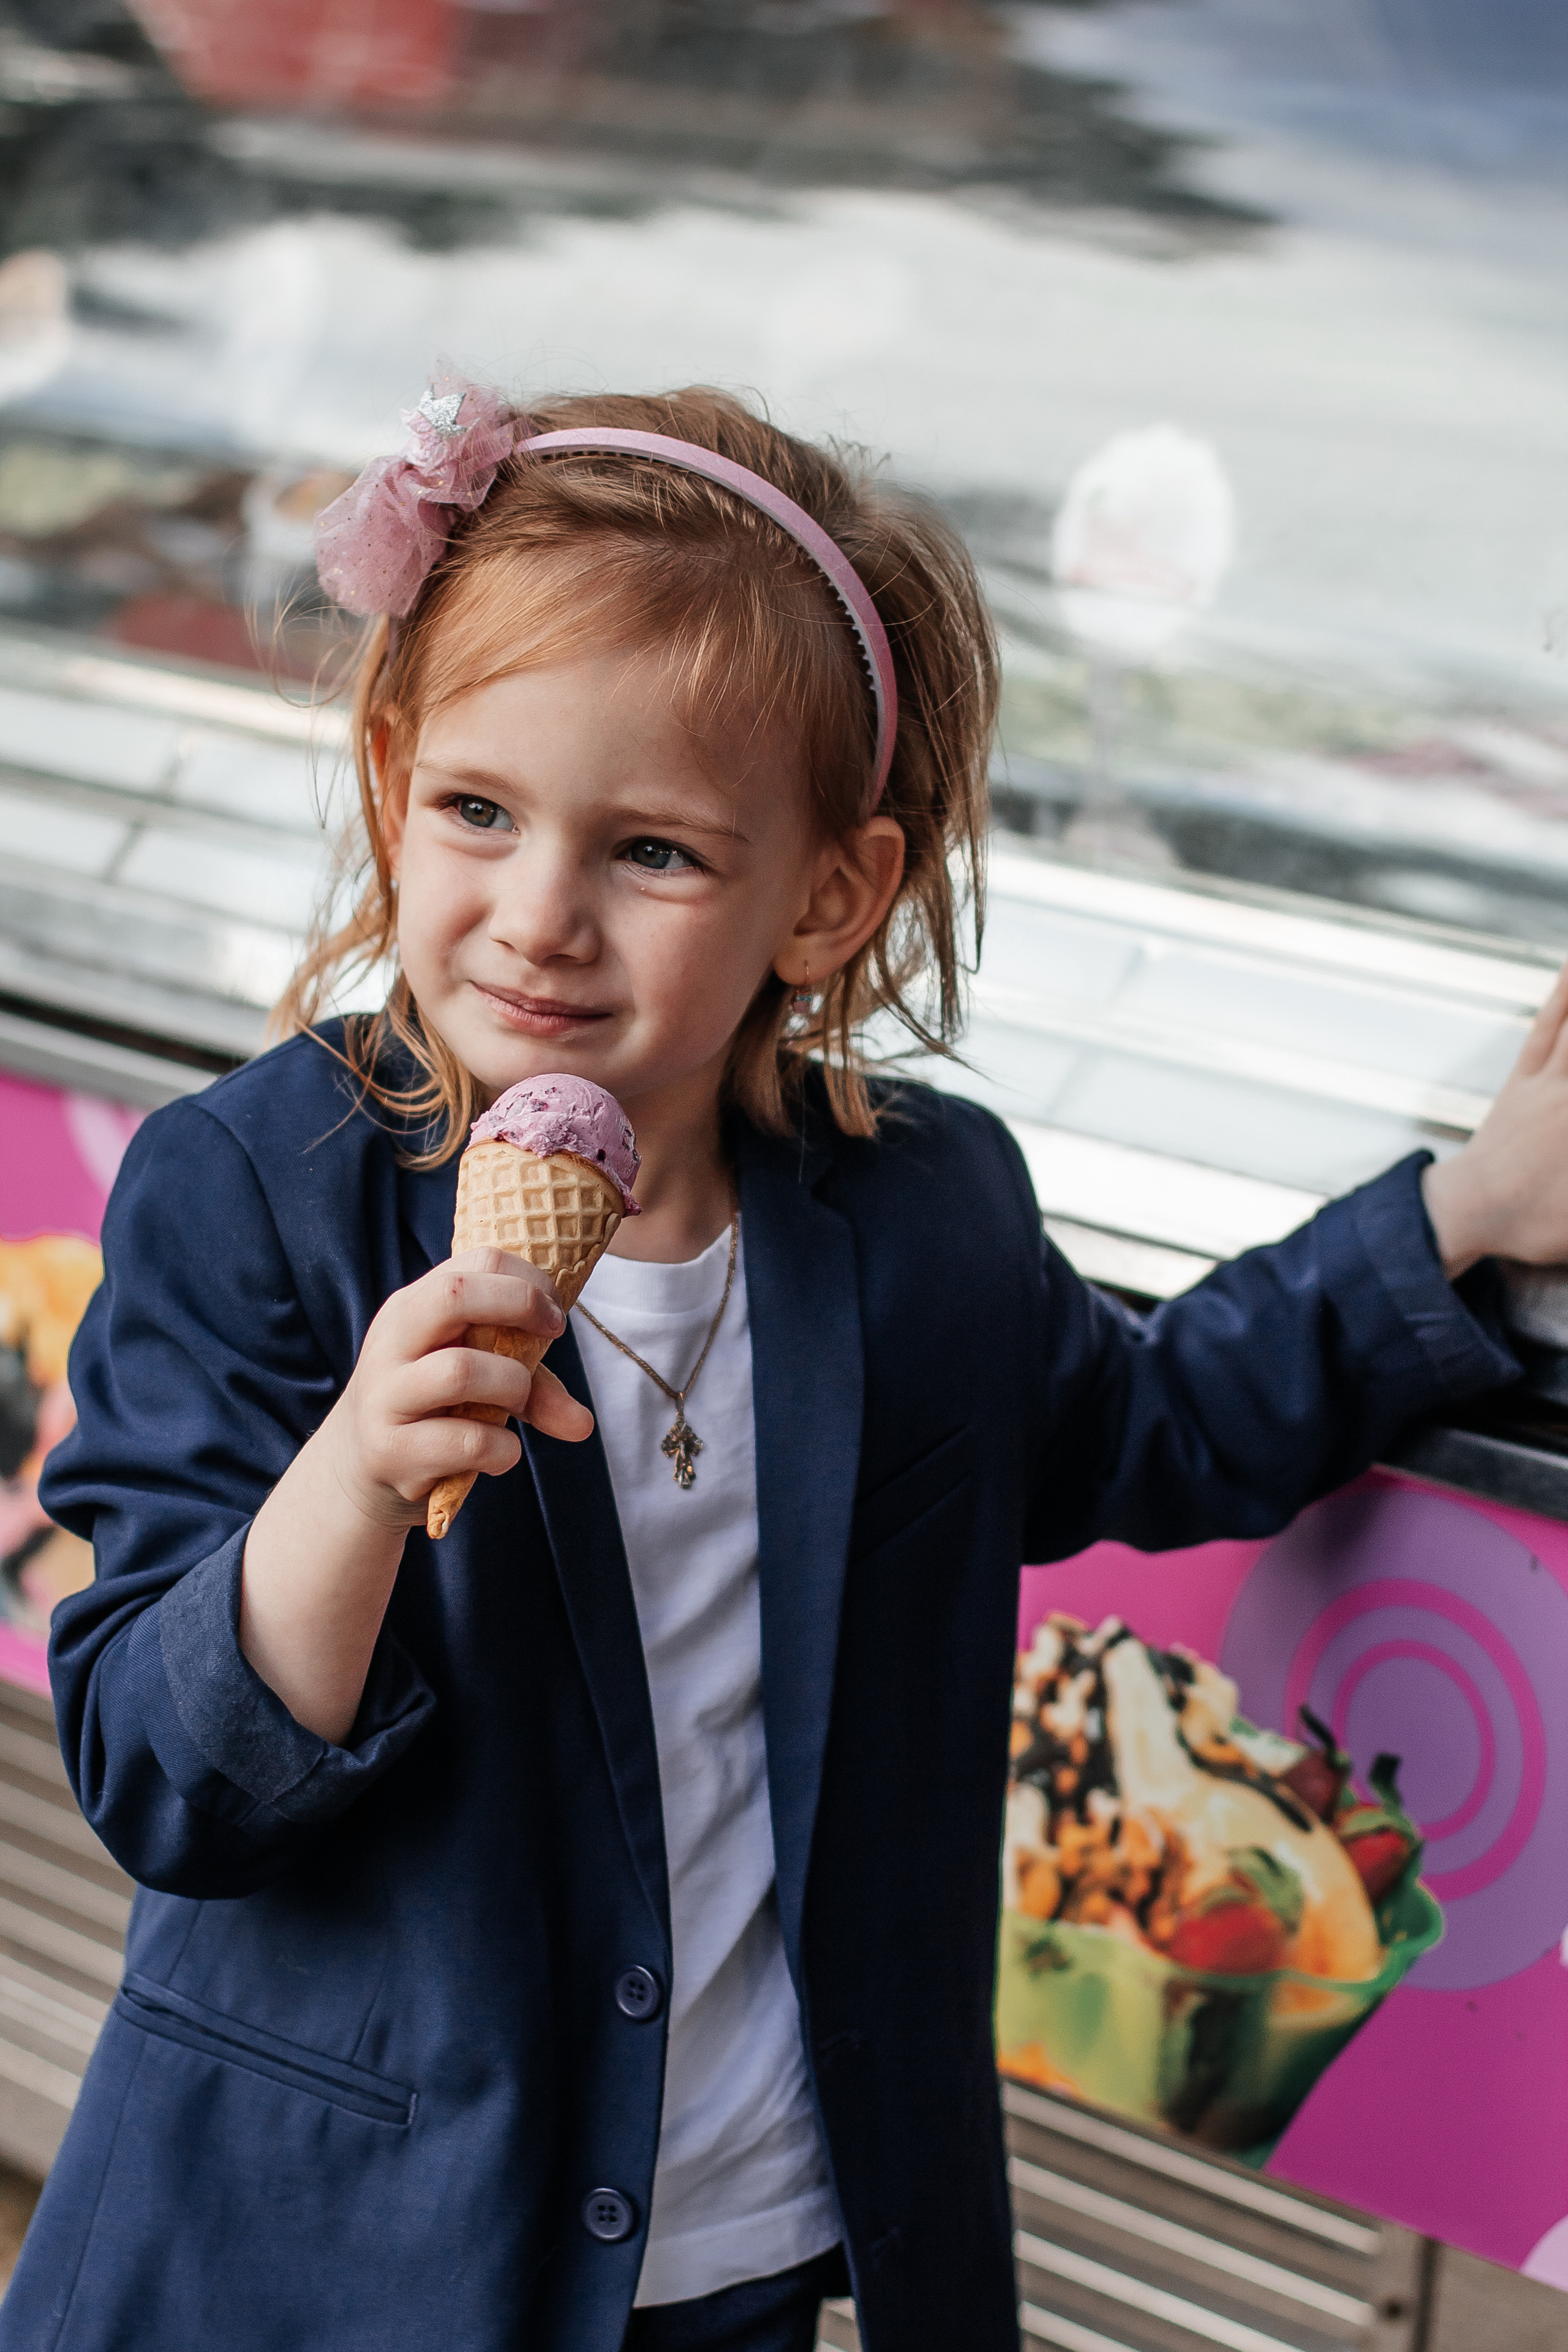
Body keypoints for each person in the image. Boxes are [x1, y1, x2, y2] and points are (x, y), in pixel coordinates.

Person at [6, 374, 1567, 2352]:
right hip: (340, 2269)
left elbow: (1151, 1423)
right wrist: (355, 1486)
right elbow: (166, 1783)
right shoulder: (254, 1198)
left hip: (749, 2253)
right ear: (395, 780)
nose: (542, 918)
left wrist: (1474, 1209)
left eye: (652, 851)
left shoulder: (918, 1220)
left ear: (828, 897)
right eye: (482, 811)